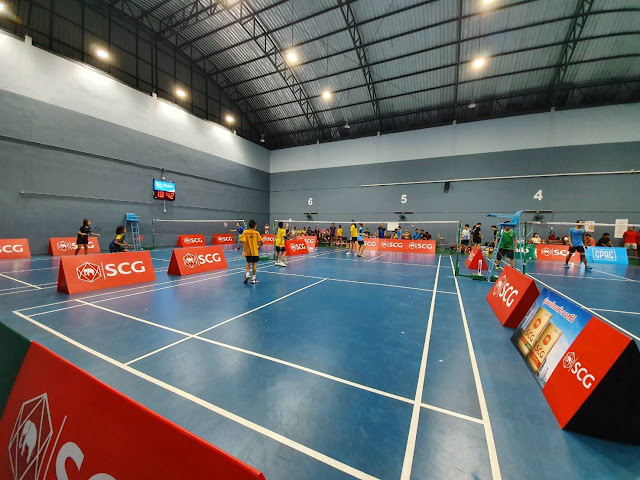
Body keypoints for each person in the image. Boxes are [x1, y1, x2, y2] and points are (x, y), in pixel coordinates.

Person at [241, 219, 263, 284]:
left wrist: (243, 251)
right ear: (255, 226)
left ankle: (247, 274)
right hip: (254, 252)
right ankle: (253, 279)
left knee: (248, 263)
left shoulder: (245, 232)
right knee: (254, 264)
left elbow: (243, 242)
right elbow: (262, 242)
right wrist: (259, 247)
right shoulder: (256, 233)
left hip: (247, 251)